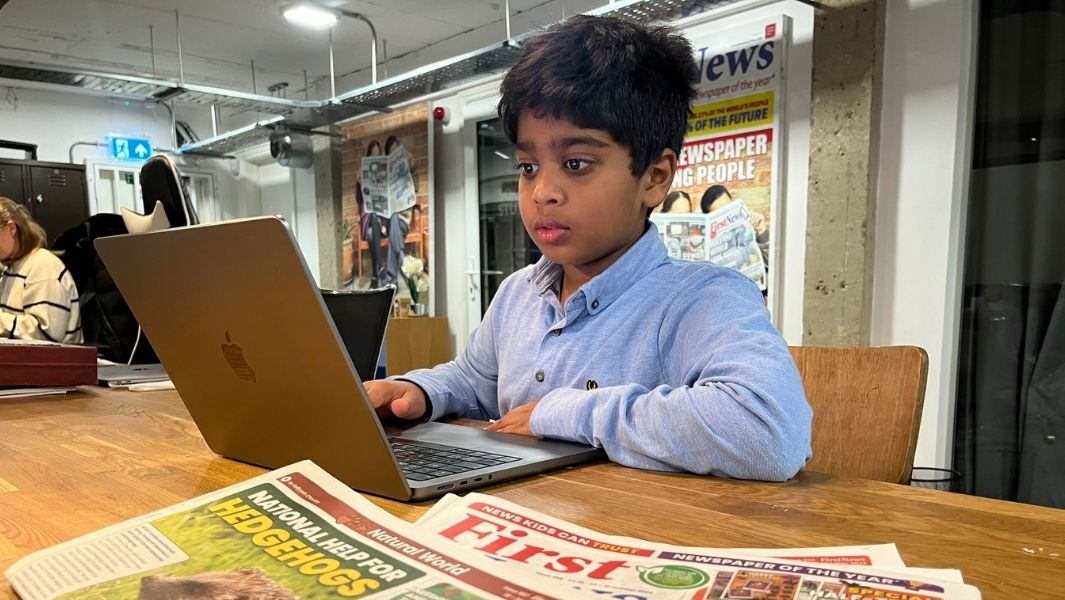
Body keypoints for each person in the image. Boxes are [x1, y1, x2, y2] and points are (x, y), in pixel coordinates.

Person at [366, 15, 811, 480]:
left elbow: (769, 431)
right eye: (528, 167)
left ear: (654, 177)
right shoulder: (519, 293)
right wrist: (418, 390)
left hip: (629, 529)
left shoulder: (702, 298)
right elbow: (475, 380)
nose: (542, 193)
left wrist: (563, 414)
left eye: (576, 163)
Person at [0, 197, 82, 344]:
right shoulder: (10, 269)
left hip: (57, 362)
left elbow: (46, 333)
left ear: (12, 228)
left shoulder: (43, 265)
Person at [701, 184, 769, 265]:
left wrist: (761, 231)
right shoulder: (706, 245)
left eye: (728, 209)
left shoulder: (749, 225)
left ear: (732, 200)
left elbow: (770, 263)